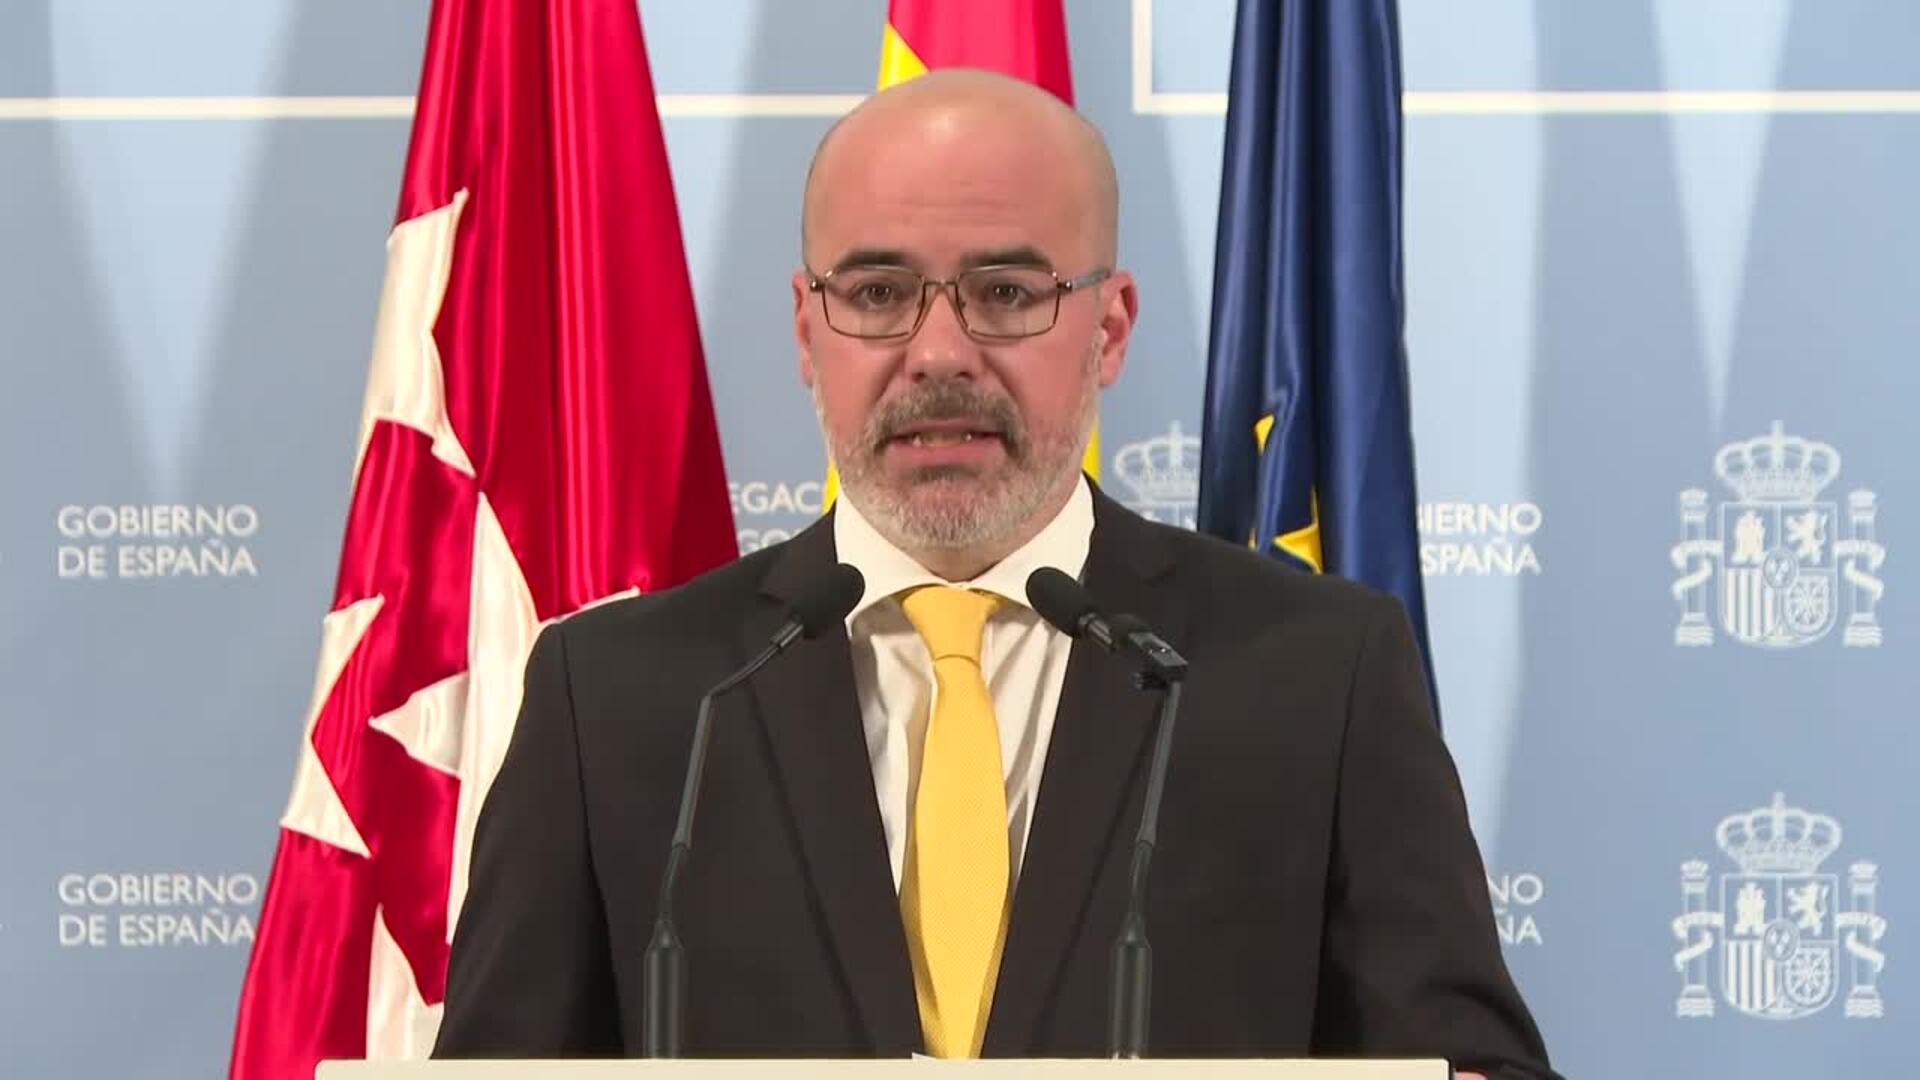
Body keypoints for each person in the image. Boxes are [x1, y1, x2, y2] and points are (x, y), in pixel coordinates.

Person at [434, 69, 1553, 1079]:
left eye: (1008, 293)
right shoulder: (622, 696)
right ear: (807, 332)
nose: (939, 353)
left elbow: (1467, 1064)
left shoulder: (1317, 670)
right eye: (878, 293)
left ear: (1109, 329)